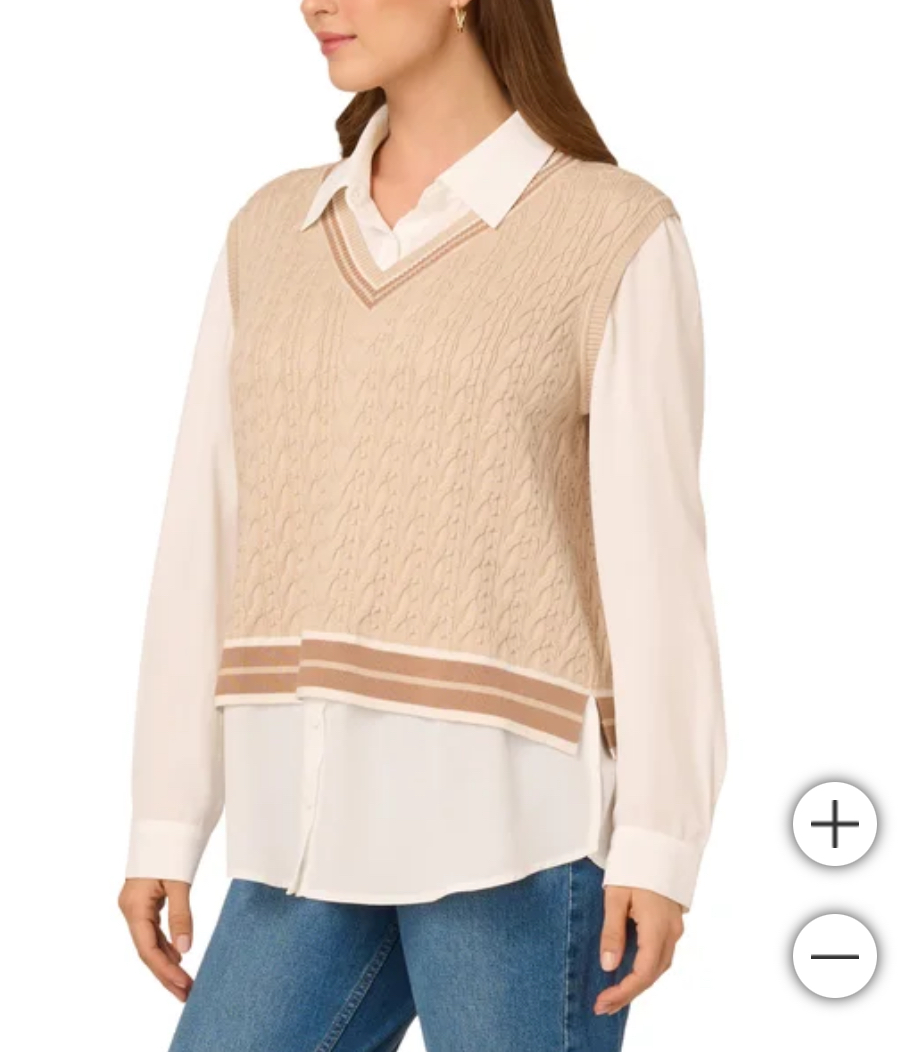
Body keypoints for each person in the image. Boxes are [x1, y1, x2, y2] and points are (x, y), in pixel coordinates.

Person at [117, 1, 727, 1049]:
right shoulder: (271, 231)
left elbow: (657, 563)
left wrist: (659, 840)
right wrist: (166, 817)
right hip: (300, 824)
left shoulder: (610, 230)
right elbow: (205, 528)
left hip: (517, 828)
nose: (315, 3)